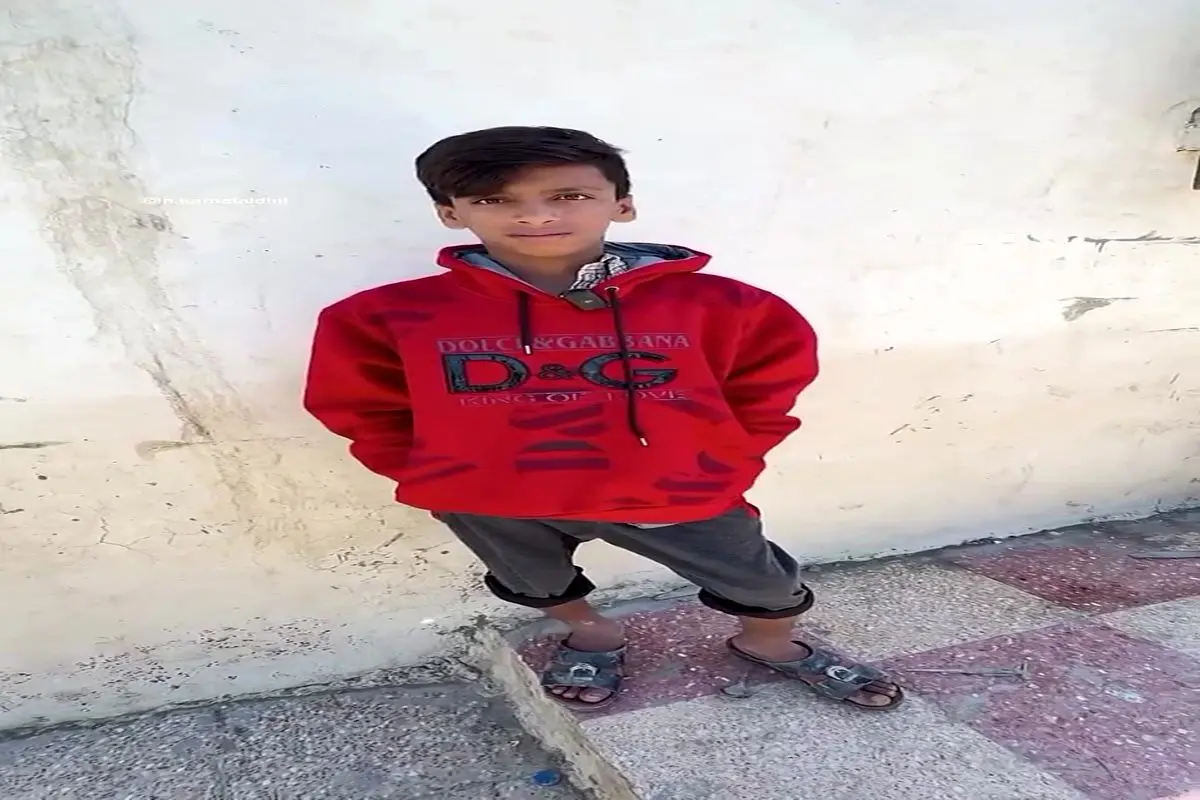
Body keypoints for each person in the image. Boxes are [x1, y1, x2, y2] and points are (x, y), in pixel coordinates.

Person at [303, 126, 903, 712]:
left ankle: (769, 642)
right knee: (533, 579)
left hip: (671, 490)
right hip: (491, 496)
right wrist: (440, 471)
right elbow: (360, 406)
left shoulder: (725, 305)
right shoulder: (383, 316)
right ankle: (591, 633)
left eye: (568, 195)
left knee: (763, 583)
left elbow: (767, 387)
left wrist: (723, 460)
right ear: (449, 213)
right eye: (493, 200)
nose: (535, 215)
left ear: (622, 204)